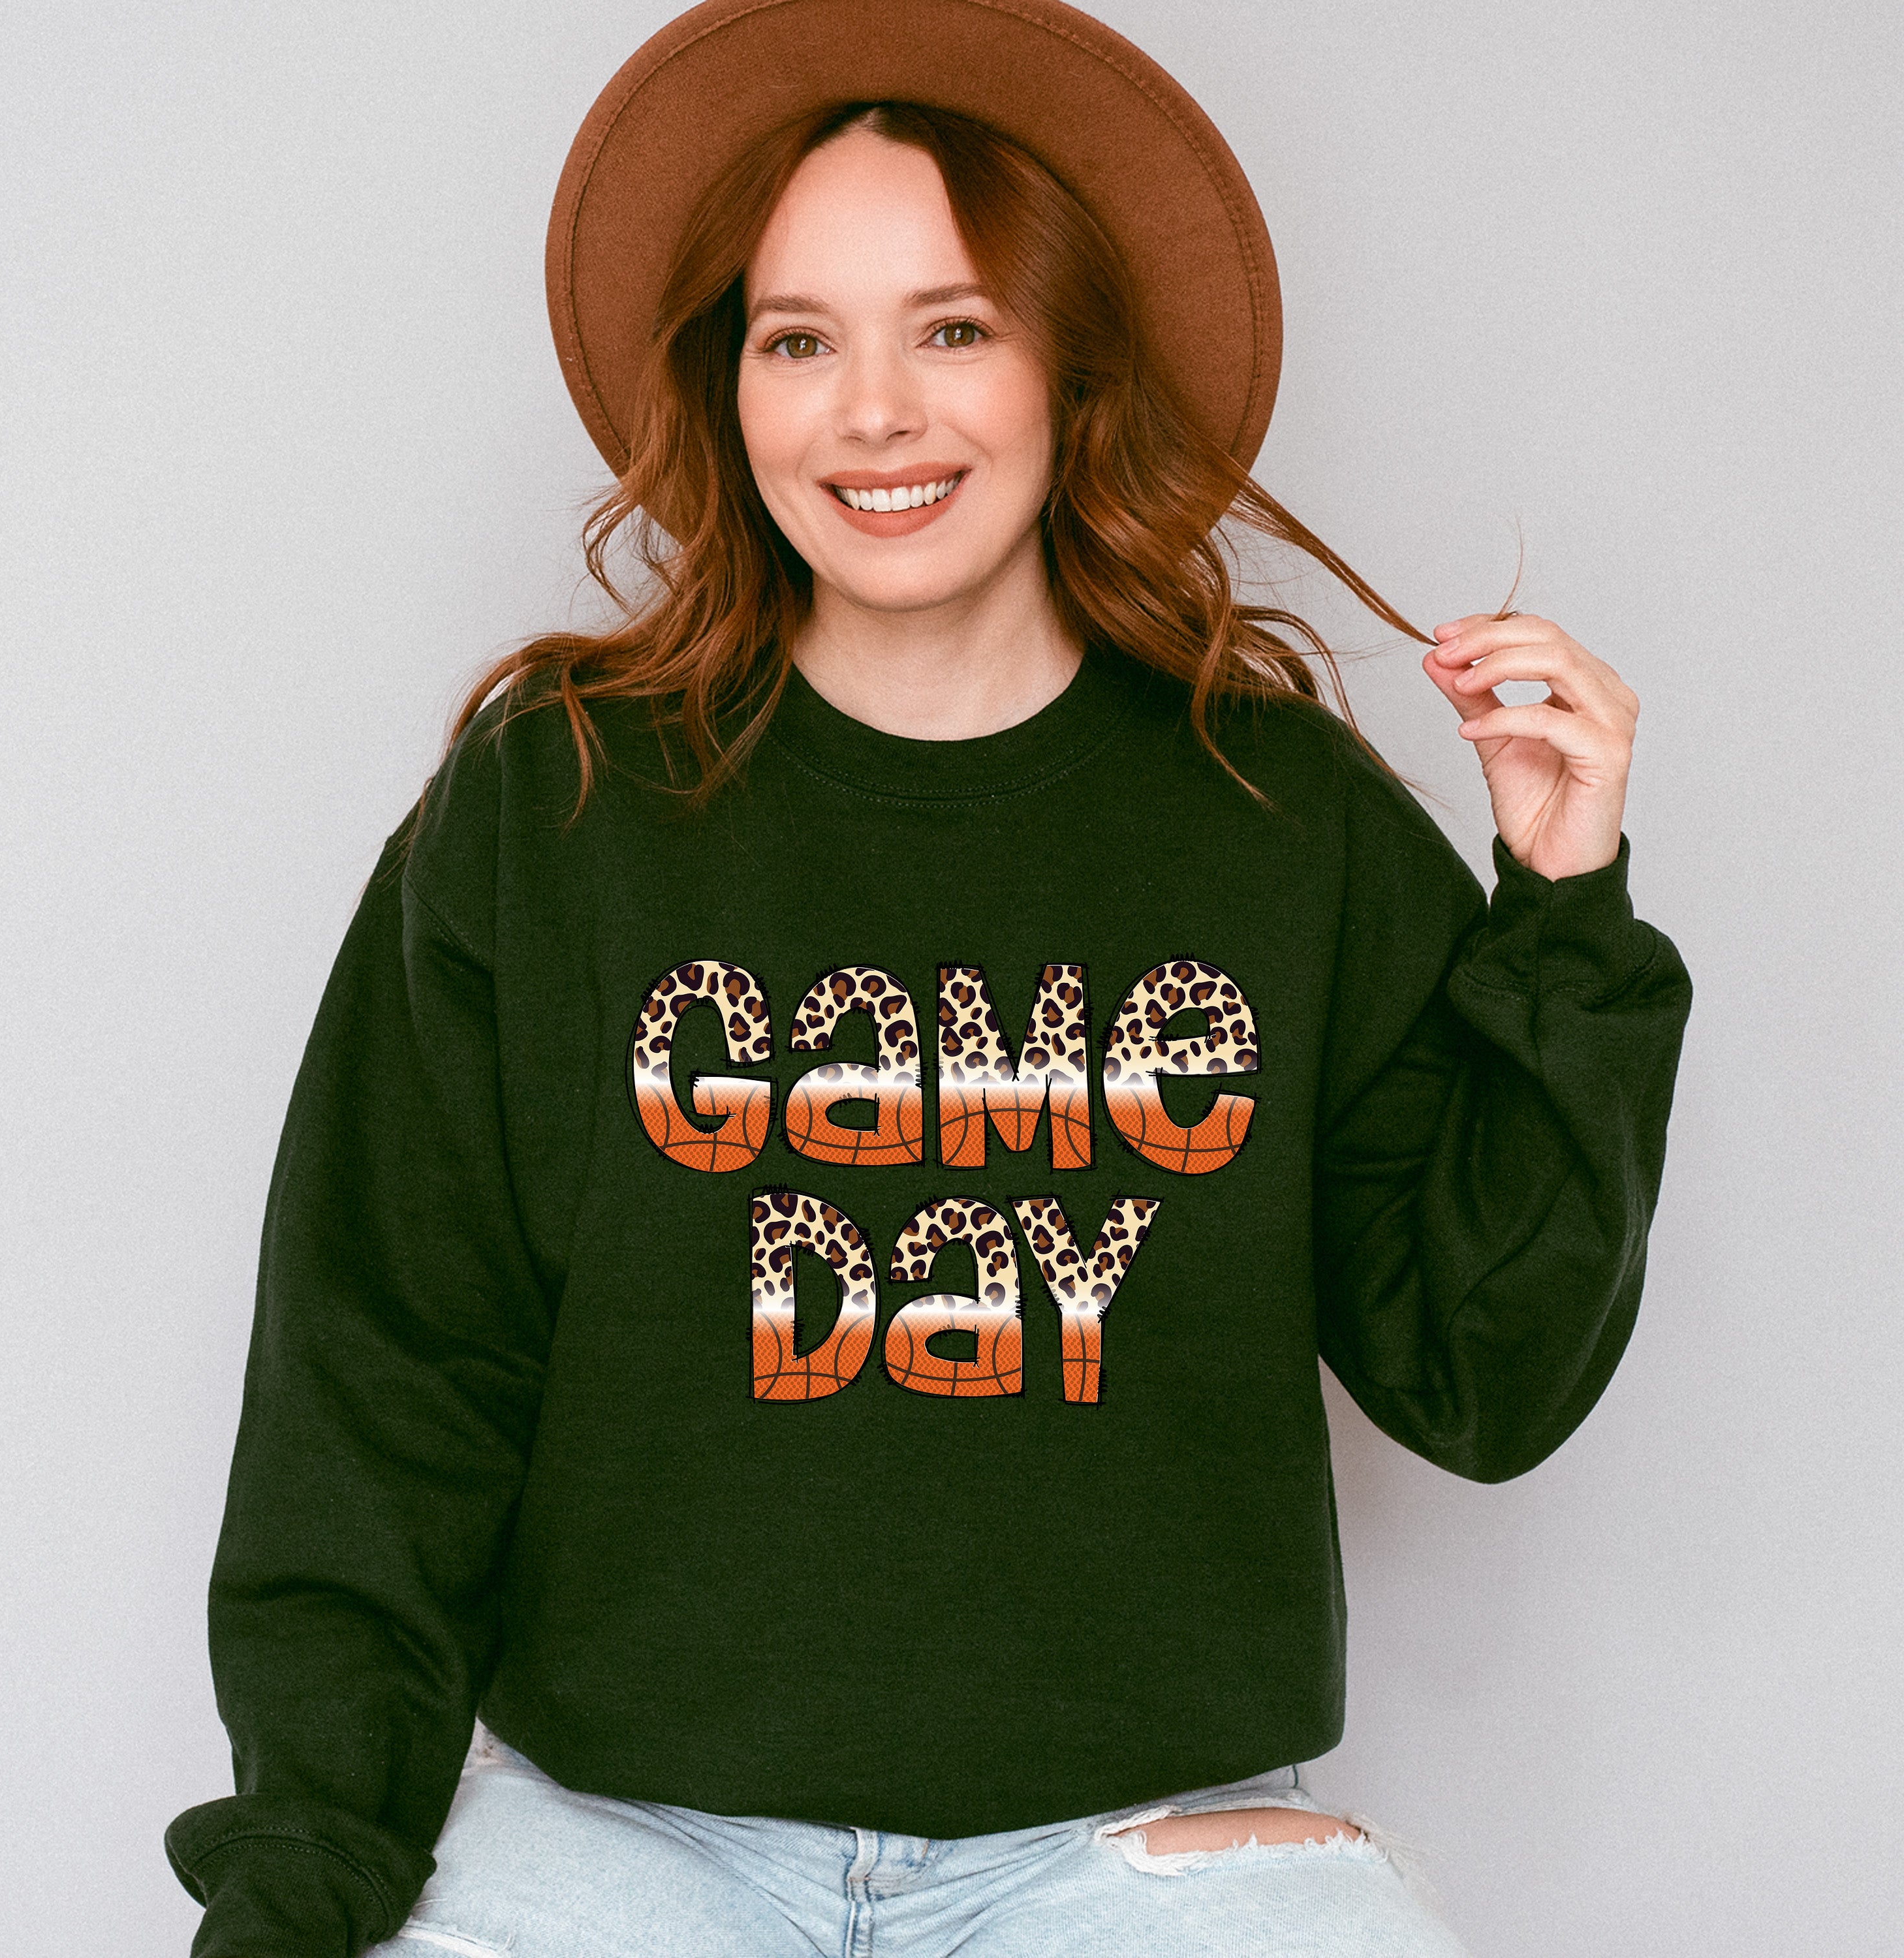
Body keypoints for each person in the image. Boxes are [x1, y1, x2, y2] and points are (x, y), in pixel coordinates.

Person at [164, 2, 1692, 1953]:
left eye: (954, 329)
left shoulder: (1279, 817)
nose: (873, 412)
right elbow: (381, 1389)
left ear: (1073, 364)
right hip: (629, 1841)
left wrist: (1563, 911)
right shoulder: (554, 810)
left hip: (1119, 1851)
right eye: (800, 340)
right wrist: (307, 1872)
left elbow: (1481, 1375)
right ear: (731, 390)